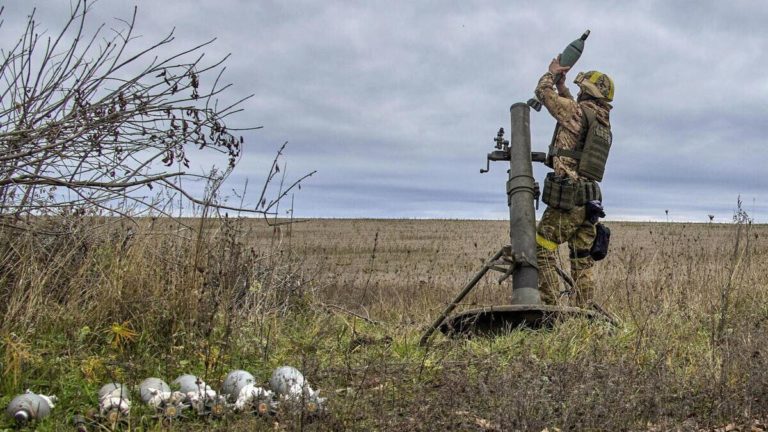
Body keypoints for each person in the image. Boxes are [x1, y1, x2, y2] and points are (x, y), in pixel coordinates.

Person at [534, 58, 614, 307]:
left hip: (568, 199)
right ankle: (584, 315)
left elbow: (542, 94)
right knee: (582, 258)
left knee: (541, 249)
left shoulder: (576, 112)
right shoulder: (601, 121)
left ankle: (549, 310)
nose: (577, 93)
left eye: (581, 90)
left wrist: (551, 75)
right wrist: (564, 88)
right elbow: (574, 109)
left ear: (588, 93)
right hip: (589, 201)